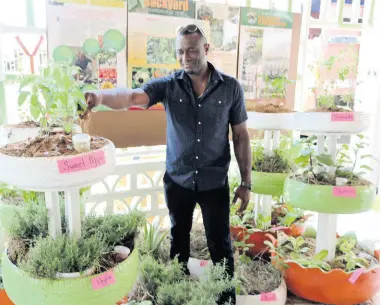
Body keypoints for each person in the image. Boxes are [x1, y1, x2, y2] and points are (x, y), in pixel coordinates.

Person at [84, 24, 252, 305]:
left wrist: (246, 182)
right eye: (180, 52)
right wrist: (101, 97)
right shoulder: (169, 85)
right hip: (179, 182)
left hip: (214, 184)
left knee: (221, 247)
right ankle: (177, 296)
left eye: (192, 51)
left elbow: (241, 135)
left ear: (206, 49)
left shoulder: (231, 88)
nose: (185, 57)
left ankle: (226, 300)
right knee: (178, 244)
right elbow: (132, 96)